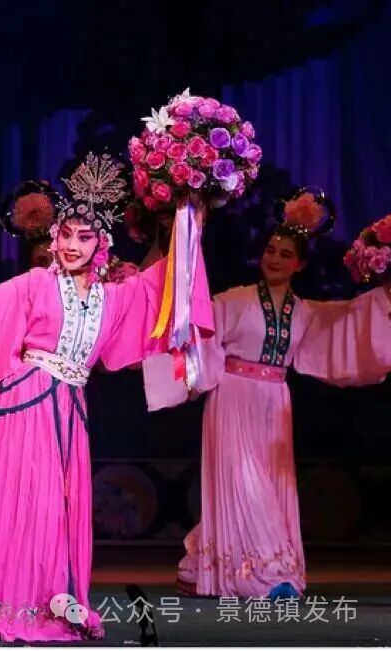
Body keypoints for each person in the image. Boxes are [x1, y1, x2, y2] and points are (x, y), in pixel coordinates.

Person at [0, 153, 214, 642]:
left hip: (69, 411)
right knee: (7, 510)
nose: (73, 245)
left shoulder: (113, 298)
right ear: (53, 238)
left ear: (101, 243)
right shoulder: (35, 284)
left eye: (85, 237)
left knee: (54, 513)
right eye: (66, 235)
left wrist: (189, 218)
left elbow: (168, 285)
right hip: (21, 405)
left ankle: (46, 602)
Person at [162, 189, 391, 599]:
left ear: (299, 264)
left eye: (286, 254)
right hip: (232, 399)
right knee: (246, 486)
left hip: (275, 402)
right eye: (271, 250)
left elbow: (350, 321)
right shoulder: (233, 300)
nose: (275, 259)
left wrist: (385, 290)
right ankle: (267, 573)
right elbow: (195, 334)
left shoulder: (305, 312)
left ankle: (208, 565)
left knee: (267, 484)